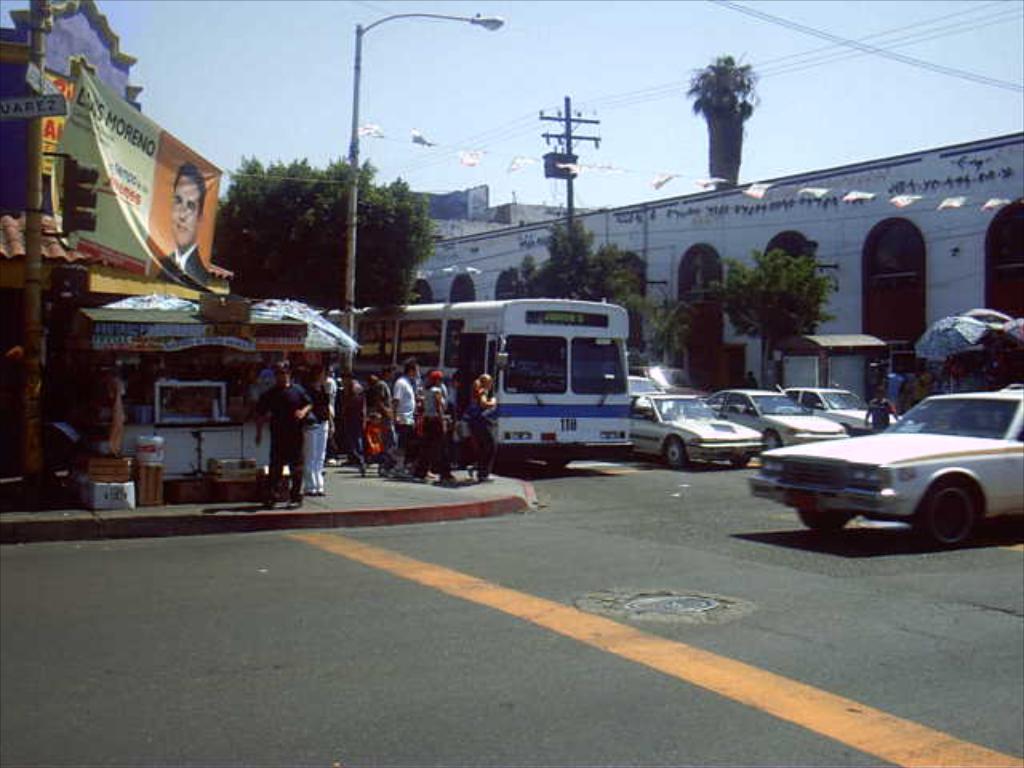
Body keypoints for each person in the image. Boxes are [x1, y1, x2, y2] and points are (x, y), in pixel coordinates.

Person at [157, 163, 232, 290]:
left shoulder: (201, 271)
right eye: (178, 201)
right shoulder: (160, 264)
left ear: (200, 217)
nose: (182, 215)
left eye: (191, 206)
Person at [255, 362, 311, 508]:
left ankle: (296, 497)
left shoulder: (298, 390)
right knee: (275, 468)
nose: (282, 376)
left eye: (284, 373)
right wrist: (259, 433)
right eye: (279, 374)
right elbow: (260, 414)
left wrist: (303, 412)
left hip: (296, 435)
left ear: (289, 375)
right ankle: (272, 497)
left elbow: (309, 403)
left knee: (296, 468)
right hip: (278, 435)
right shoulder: (270, 394)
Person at [414, 370, 455, 484]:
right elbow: (439, 407)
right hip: (436, 421)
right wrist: (443, 422)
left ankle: (420, 472)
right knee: (442, 448)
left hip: (427, 421)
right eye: (440, 379)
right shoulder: (437, 391)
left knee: (426, 448)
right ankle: (445, 474)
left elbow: (423, 406)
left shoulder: (426, 390)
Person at [302, 366, 331, 497]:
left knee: (320, 455)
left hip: (323, 422)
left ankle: (319, 485)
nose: (325, 377)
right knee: (311, 455)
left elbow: (327, 407)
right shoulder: (308, 390)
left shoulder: (324, 389)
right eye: (323, 374)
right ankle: (310, 486)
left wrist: (331, 423)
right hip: (312, 424)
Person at [466, 373, 498, 481]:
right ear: (486, 383)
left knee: (482, 447)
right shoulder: (483, 391)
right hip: (481, 422)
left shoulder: (475, 391)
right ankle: (483, 473)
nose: (491, 384)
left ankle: (478, 469)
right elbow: (483, 404)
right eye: (490, 382)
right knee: (490, 446)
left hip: (474, 422)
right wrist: (493, 402)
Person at [392, 358, 419, 475]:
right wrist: (394, 417)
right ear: (411, 370)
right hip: (402, 417)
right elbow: (396, 400)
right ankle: (398, 466)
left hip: (409, 418)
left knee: (408, 444)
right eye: (416, 370)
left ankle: (402, 465)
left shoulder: (409, 383)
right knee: (401, 444)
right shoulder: (401, 383)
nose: (417, 372)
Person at [340, 372, 367, 476]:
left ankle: (360, 460)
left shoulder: (355, 388)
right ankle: (356, 459)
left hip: (355, 417)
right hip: (352, 417)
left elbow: (358, 403)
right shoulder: (352, 388)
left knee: (355, 440)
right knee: (354, 439)